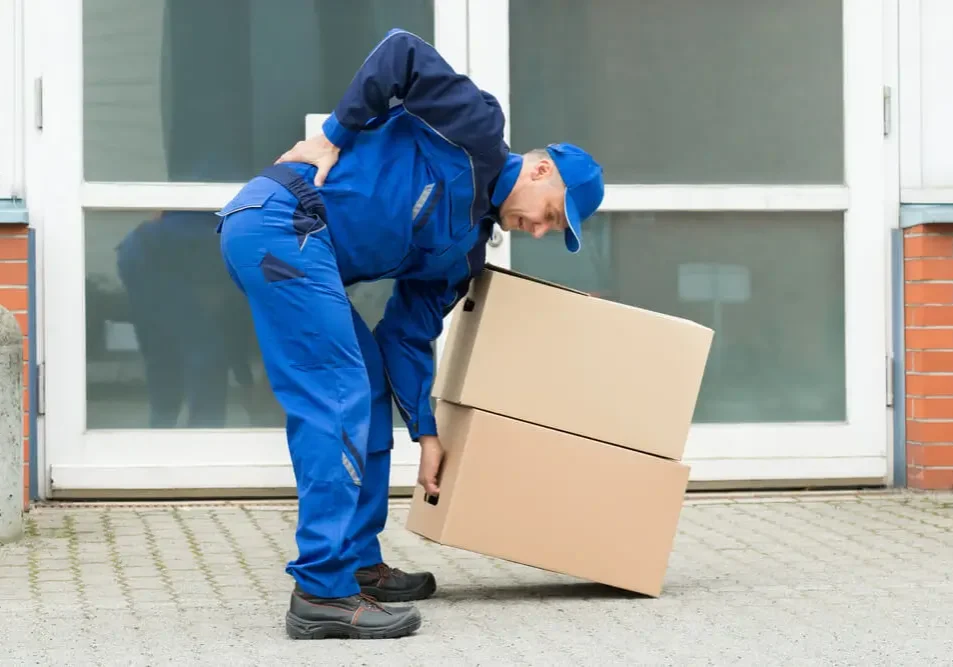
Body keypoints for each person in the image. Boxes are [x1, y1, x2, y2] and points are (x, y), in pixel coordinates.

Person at [216, 28, 604, 640]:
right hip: (279, 222)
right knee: (336, 396)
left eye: (553, 230)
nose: (538, 230)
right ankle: (321, 591)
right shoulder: (475, 129)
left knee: (366, 388)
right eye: (552, 213)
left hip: (302, 250)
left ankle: (358, 566)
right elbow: (399, 51)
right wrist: (331, 135)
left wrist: (425, 432)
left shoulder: (464, 255)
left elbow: (405, 337)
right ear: (539, 168)